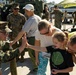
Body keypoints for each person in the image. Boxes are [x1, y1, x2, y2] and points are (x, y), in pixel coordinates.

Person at [10, 4, 41, 73]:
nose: (25, 12)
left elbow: (21, 32)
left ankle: (37, 69)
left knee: (32, 54)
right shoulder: (37, 17)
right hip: (38, 38)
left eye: (25, 10)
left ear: (28, 11)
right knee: (37, 54)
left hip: (33, 39)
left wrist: (14, 41)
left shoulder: (30, 20)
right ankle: (39, 68)